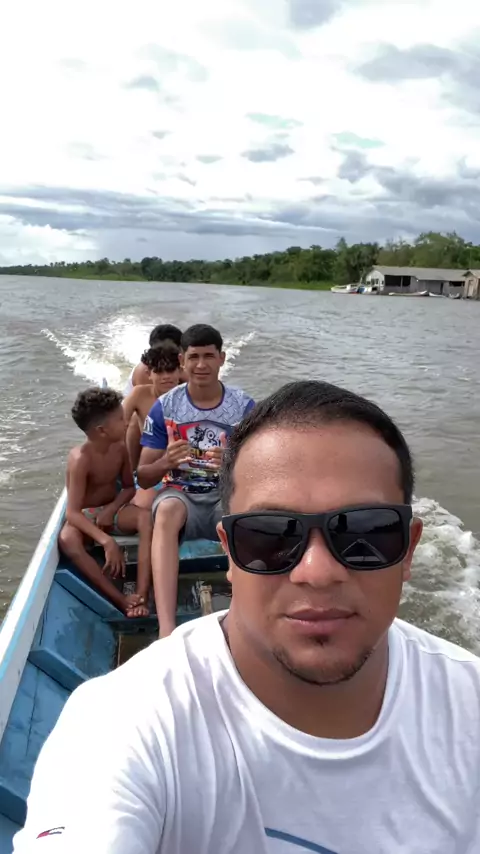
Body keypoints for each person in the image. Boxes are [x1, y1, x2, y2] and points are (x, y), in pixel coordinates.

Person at [15, 380, 480, 854]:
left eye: (366, 532)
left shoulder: (470, 706)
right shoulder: (123, 722)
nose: (317, 573)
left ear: (408, 549)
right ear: (230, 553)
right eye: (269, 535)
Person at [137, 323, 254, 637]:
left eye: (208, 356)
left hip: (224, 494)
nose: (201, 365)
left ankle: (246, 616)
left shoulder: (244, 407)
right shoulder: (165, 407)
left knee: (245, 515)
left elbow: (264, 470)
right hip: (180, 495)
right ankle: (166, 629)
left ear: (222, 359)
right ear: (182, 361)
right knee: (165, 511)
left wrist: (232, 462)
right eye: (194, 357)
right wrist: (166, 461)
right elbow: (144, 477)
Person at [58, 387, 151, 618]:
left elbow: (129, 487)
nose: (126, 422)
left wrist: (111, 509)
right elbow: (72, 513)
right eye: (120, 419)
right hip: (86, 516)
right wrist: (106, 541)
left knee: (145, 518)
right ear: (101, 430)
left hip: (113, 509)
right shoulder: (80, 459)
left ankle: (141, 593)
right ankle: (121, 600)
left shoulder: (120, 448)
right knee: (67, 539)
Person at [124, 324, 186, 469]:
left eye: (170, 370)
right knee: (133, 420)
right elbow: (117, 424)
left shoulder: (191, 390)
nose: (166, 377)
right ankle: (131, 470)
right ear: (149, 374)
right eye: (159, 371)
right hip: (151, 461)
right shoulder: (139, 393)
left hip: (183, 461)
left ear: (180, 370)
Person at [123, 323, 184, 395]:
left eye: (170, 351)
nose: (162, 353)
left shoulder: (182, 364)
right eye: (159, 350)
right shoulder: (144, 370)